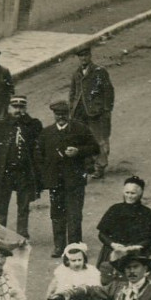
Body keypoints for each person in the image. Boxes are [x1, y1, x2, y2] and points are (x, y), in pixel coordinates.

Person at [0, 95, 45, 236]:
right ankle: (0, 234)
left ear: (26, 108)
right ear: (9, 108)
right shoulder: (1, 125)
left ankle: (22, 234)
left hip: (24, 172)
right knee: (0, 206)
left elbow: (40, 148)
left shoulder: (33, 125)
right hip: (5, 173)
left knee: (23, 206)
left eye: (21, 107)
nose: (18, 110)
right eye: (15, 107)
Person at [38, 98, 100, 255]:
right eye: (58, 114)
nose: (61, 117)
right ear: (53, 115)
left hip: (75, 181)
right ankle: (59, 246)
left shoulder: (80, 129)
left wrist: (78, 151)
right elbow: (39, 155)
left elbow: (95, 147)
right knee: (57, 214)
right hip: (55, 182)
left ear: (69, 114)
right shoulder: (47, 132)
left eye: (64, 113)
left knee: (74, 214)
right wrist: (46, 176)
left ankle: (74, 246)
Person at [94, 176, 151, 279]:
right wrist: (112, 244)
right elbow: (102, 234)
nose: (129, 196)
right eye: (127, 192)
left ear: (140, 194)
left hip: (139, 254)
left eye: (133, 193)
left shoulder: (148, 213)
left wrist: (137, 247)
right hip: (114, 252)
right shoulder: (114, 209)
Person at [69, 48, 116, 178]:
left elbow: (108, 91)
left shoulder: (99, 72)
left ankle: (100, 166)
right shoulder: (76, 73)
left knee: (98, 139)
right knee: (82, 138)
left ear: (90, 56)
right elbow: (73, 93)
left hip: (96, 112)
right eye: (80, 57)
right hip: (79, 112)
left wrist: (106, 109)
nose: (83, 59)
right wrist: (72, 108)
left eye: (85, 56)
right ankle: (88, 165)